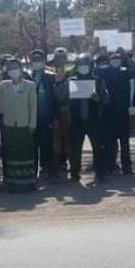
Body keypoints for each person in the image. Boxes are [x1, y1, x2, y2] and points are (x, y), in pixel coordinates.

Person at [0, 58, 38, 191]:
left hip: (25, 125)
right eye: (10, 68)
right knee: (11, 154)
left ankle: (27, 182)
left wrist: (32, 123)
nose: (13, 70)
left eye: (15, 67)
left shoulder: (30, 85)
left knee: (25, 154)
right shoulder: (3, 85)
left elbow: (33, 106)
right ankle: (11, 182)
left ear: (20, 69)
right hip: (9, 125)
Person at [68, 54, 109, 182]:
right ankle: (74, 173)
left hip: (94, 120)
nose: (83, 67)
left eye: (86, 64)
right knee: (75, 148)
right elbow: (62, 99)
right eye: (81, 64)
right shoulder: (71, 81)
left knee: (97, 147)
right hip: (76, 120)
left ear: (91, 66)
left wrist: (99, 98)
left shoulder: (98, 81)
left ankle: (100, 172)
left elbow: (106, 98)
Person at [97, 52, 134, 175]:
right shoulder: (103, 72)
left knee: (124, 141)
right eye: (113, 59)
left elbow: (134, 76)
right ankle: (110, 166)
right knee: (109, 141)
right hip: (108, 111)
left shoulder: (126, 72)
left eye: (118, 59)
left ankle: (127, 167)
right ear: (109, 61)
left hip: (123, 110)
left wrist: (131, 106)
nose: (115, 61)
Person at [26, 49, 58, 181]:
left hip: (45, 117)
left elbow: (55, 98)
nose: (36, 62)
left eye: (39, 59)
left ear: (44, 61)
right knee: (31, 147)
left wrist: (54, 117)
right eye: (34, 59)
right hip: (29, 117)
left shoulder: (51, 76)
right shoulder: (26, 76)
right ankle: (32, 172)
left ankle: (51, 172)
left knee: (47, 146)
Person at [51, 48, 73, 176]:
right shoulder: (49, 75)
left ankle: (70, 164)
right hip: (54, 113)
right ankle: (58, 165)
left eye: (63, 57)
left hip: (68, 113)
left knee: (68, 139)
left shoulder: (72, 74)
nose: (60, 60)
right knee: (56, 141)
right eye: (58, 58)